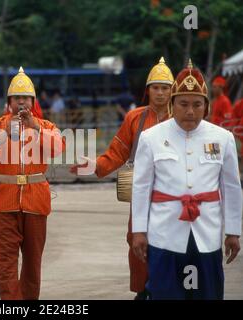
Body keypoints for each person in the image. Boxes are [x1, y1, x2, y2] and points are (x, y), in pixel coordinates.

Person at [132, 60, 242, 300]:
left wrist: (233, 231)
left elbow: (232, 188)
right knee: (165, 293)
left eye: (197, 104)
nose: (190, 111)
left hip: (207, 233)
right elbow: (141, 187)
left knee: (208, 294)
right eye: (183, 104)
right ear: (172, 104)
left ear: (206, 106)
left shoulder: (223, 138)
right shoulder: (151, 138)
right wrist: (139, 230)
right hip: (164, 233)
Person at [70, 57, 174, 300]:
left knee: (171, 241)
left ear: (173, 91)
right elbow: (116, 152)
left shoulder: (181, 119)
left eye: (165, 88)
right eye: (156, 88)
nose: (160, 93)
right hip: (141, 192)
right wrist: (95, 166)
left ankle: (164, 288)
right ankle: (143, 288)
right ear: (147, 91)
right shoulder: (134, 118)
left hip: (174, 193)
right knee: (136, 239)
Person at [0, 67, 65, 300]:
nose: (21, 102)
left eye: (26, 98)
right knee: (6, 259)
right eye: (17, 98)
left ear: (33, 101)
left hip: (36, 200)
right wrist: (5, 132)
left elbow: (58, 148)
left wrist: (35, 127)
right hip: (4, 200)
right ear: (9, 102)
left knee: (33, 260)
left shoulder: (45, 126)